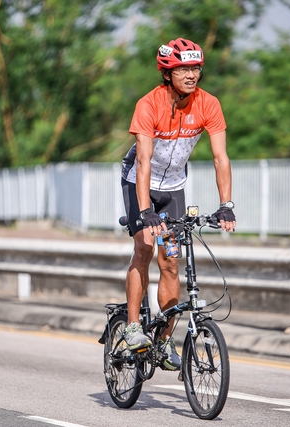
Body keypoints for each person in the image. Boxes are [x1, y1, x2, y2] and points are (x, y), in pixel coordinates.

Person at [120, 38, 237, 371]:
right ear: (167, 71)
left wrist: (226, 204)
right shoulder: (149, 104)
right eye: (184, 68)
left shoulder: (208, 104)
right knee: (144, 248)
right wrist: (145, 212)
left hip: (173, 187)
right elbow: (143, 162)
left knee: (171, 261)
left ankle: (165, 339)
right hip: (138, 183)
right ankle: (132, 327)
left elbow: (220, 157)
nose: (192, 74)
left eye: (196, 67)